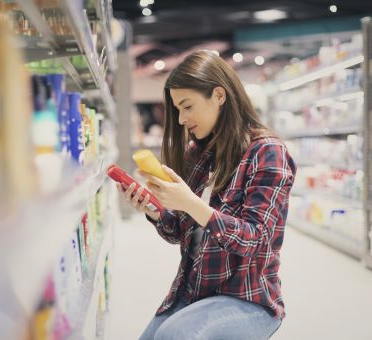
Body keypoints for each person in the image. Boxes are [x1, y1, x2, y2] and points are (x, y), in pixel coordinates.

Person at [116, 50, 296, 340]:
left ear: (219, 96)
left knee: (174, 335)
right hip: (193, 292)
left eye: (188, 106)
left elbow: (257, 240)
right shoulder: (199, 153)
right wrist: (154, 209)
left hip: (246, 299)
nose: (182, 118)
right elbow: (180, 232)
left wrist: (191, 203)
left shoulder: (267, 152)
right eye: (177, 110)